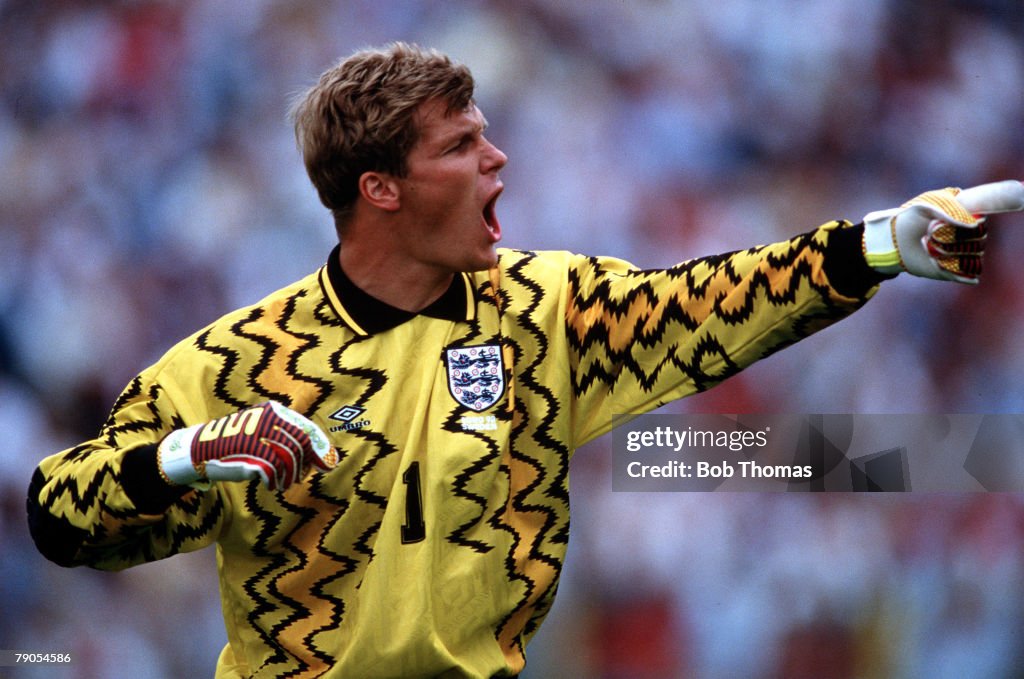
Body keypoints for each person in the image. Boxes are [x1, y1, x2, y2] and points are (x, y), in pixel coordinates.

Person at [26, 42, 1024, 679]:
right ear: (380, 189)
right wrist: (178, 459)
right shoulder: (234, 363)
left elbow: (713, 302)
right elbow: (59, 517)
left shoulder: (544, 311)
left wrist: (881, 244)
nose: (498, 162)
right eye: (462, 146)